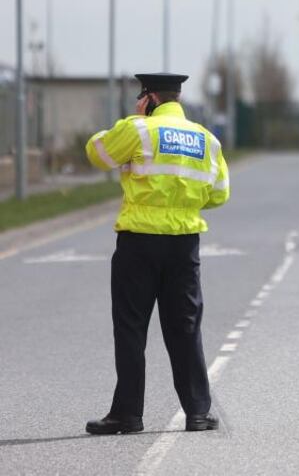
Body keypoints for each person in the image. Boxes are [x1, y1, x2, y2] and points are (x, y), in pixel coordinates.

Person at [84, 72, 230, 435]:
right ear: (178, 99)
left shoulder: (138, 130)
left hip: (139, 242)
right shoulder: (206, 139)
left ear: (148, 98)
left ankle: (128, 415)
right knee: (185, 327)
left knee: (132, 328)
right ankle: (198, 413)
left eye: (141, 98)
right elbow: (219, 193)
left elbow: (97, 153)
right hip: (184, 244)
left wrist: (130, 122)